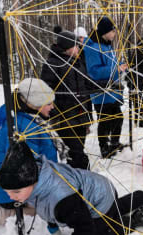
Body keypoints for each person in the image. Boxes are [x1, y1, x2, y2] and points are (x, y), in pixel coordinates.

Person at [0, 141, 143, 235]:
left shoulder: (61, 198)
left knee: (98, 234)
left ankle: (136, 219)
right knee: (113, 208)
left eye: (15, 192)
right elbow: (43, 205)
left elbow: (85, 230)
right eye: (8, 192)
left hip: (100, 196)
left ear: (31, 181)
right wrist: (54, 229)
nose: (11, 197)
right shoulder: (37, 178)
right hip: (99, 189)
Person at [0, 78, 58, 230]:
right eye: (48, 103)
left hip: (17, 186)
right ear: (34, 105)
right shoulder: (22, 127)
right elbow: (26, 168)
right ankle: (7, 213)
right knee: (59, 204)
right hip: (12, 190)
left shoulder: (29, 119)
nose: (52, 107)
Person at [41, 28, 92, 170]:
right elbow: (45, 92)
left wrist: (108, 86)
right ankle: (83, 183)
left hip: (80, 118)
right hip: (65, 119)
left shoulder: (78, 62)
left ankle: (76, 180)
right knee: (78, 156)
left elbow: (88, 84)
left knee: (78, 153)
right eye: (76, 45)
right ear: (68, 47)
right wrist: (54, 113)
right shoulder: (53, 64)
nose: (78, 48)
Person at [83, 16, 128, 158]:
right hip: (100, 92)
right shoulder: (93, 48)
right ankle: (104, 148)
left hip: (112, 90)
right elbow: (94, 71)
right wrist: (117, 68)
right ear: (106, 32)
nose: (115, 34)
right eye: (113, 31)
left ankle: (114, 143)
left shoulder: (107, 45)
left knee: (118, 117)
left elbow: (111, 64)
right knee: (105, 120)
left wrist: (121, 65)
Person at [74, 25, 94, 135]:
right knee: (82, 104)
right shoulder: (74, 50)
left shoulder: (88, 48)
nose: (81, 40)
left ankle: (88, 122)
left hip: (88, 79)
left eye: (83, 37)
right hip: (79, 80)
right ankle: (85, 125)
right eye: (79, 38)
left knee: (88, 103)